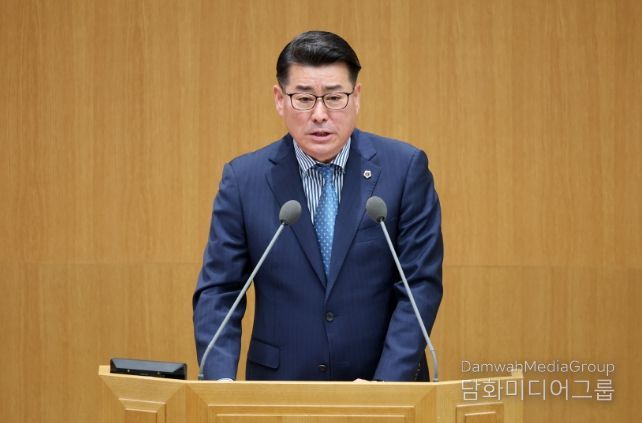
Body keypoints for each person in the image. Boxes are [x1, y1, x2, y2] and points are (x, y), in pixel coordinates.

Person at [193, 30, 443, 381]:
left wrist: (386, 385)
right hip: (279, 389)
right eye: (304, 99)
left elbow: (419, 285)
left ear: (356, 97)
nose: (320, 114)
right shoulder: (244, 180)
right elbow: (219, 290)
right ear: (280, 99)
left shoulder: (404, 170)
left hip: (381, 384)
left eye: (335, 97)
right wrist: (220, 382)